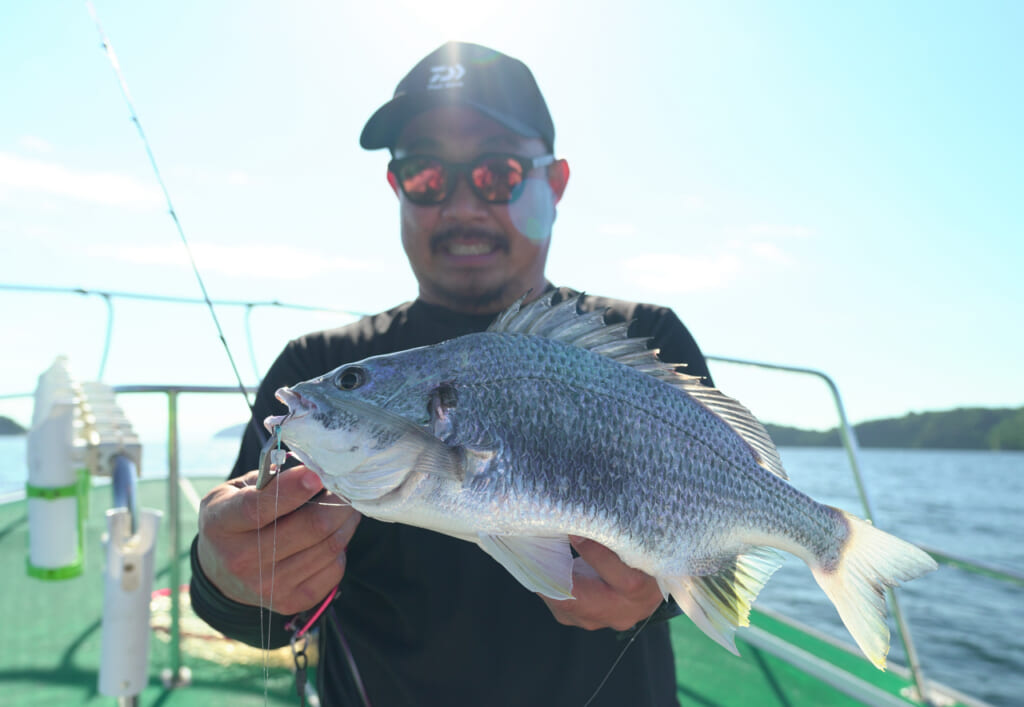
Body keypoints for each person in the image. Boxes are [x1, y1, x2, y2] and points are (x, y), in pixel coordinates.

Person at [191, 41, 713, 706]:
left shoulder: (647, 342)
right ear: (396, 187)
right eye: (427, 175)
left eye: (498, 174)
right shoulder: (315, 370)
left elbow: (711, 550)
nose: (464, 206)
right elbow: (250, 613)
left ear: (553, 185)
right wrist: (225, 572)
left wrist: (656, 593)